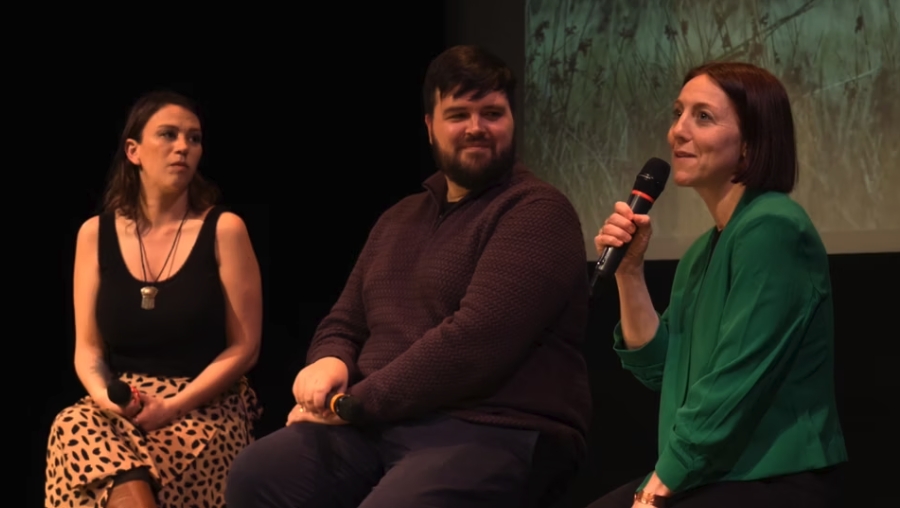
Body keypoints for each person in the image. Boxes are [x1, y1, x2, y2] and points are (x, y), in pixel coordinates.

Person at [225, 44, 592, 508]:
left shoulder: (537, 211)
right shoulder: (400, 218)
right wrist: (329, 362)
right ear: (429, 127)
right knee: (259, 474)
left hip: (491, 426)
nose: (477, 128)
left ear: (513, 121)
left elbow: (474, 344)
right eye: (458, 114)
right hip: (383, 425)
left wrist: (353, 404)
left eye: (492, 113)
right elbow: (345, 321)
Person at [585, 62, 848, 508]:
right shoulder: (703, 251)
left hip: (771, 478)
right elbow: (661, 369)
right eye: (678, 113)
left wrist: (658, 487)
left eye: (702, 117)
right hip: (710, 472)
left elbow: (736, 381)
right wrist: (629, 271)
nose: (677, 131)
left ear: (749, 145)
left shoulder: (774, 229)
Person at [44, 91, 263, 508]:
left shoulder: (224, 230)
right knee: (73, 425)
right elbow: (88, 351)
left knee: (92, 461)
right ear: (134, 151)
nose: (183, 147)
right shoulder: (95, 235)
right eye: (168, 135)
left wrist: (173, 406)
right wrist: (109, 399)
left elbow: (245, 346)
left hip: (204, 406)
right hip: (121, 406)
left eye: (193, 138)